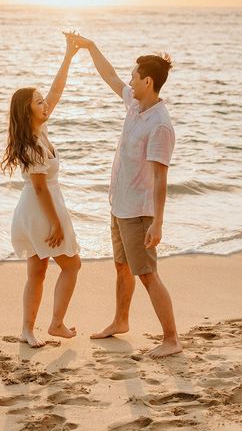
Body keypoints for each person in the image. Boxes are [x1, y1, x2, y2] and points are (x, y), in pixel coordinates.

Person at [70, 34, 182, 358]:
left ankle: (172, 339)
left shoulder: (160, 125)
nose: (129, 80)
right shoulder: (134, 104)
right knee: (121, 267)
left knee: (147, 274)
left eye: (134, 76)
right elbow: (109, 76)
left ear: (148, 81)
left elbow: (161, 179)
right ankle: (120, 321)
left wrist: (157, 223)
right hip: (119, 205)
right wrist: (90, 47)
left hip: (139, 212)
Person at [1, 34, 81, 348]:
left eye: (42, 100)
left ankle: (28, 330)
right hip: (42, 209)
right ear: (27, 111)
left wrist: (68, 56)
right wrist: (58, 224)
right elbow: (40, 189)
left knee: (37, 271)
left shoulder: (39, 129)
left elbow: (56, 91)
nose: (45, 103)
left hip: (32, 210)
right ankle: (56, 323)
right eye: (38, 102)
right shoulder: (33, 144)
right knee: (72, 265)